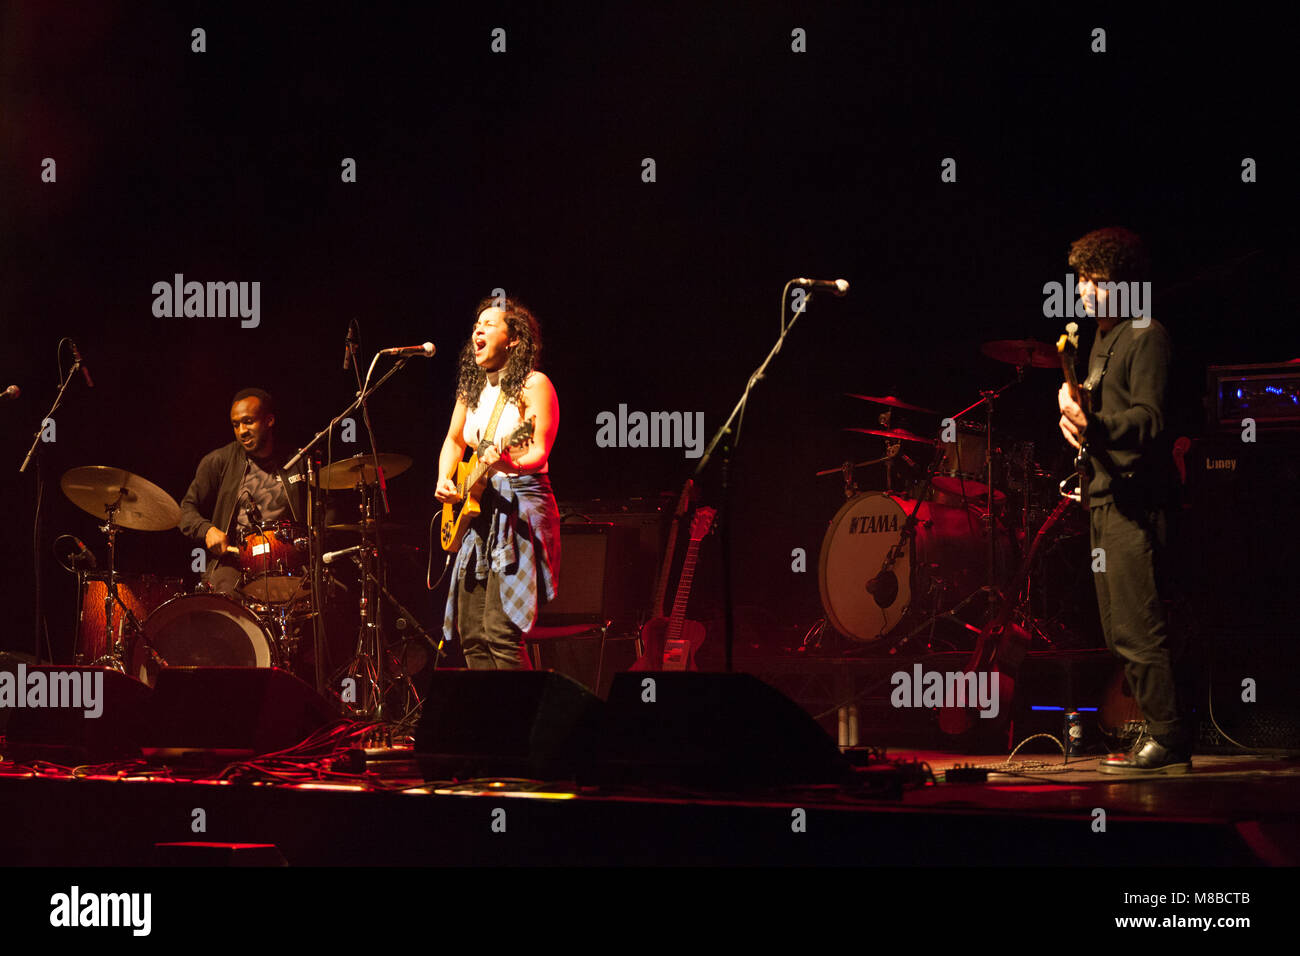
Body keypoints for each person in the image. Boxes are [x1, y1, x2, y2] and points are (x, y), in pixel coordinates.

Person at [1057, 227, 1191, 773]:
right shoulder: (1102, 341)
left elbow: (1150, 419)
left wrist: (1097, 422)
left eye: (1095, 280)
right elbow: (1100, 424)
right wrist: (1075, 420)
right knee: (1116, 629)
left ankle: (1169, 738)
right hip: (1104, 496)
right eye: (1081, 280)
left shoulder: (1146, 334)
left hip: (1136, 502)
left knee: (1139, 626)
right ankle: (1156, 734)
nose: (1083, 289)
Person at [435, 297, 560, 669]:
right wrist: (444, 476)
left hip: (519, 504)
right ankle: (488, 721)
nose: (478, 329)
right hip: (479, 511)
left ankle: (521, 724)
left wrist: (506, 460)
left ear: (515, 340)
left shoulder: (533, 384)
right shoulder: (471, 390)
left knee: (501, 633)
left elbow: (537, 448)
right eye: (477, 324)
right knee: (472, 635)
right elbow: (455, 440)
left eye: (490, 324)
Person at [179, 388, 308, 594]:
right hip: (235, 562)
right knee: (225, 600)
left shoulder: (297, 461)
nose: (242, 431)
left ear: (269, 420)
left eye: (248, 421)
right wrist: (207, 530)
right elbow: (185, 509)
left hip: (289, 562)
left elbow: (327, 509)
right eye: (235, 424)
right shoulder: (218, 461)